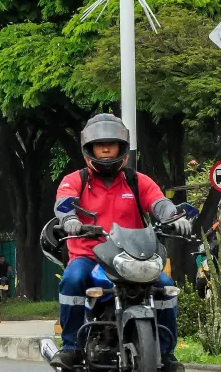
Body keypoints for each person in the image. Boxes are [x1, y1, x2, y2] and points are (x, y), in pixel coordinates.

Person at [52, 114, 192, 372]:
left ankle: (166, 353)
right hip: (89, 256)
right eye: (100, 145)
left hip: (133, 257)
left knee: (165, 286)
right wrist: (69, 218)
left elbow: (159, 202)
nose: (106, 149)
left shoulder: (137, 181)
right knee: (72, 278)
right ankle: (71, 347)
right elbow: (64, 202)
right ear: (90, 149)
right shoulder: (76, 180)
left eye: (111, 144)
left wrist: (173, 217)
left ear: (122, 148)